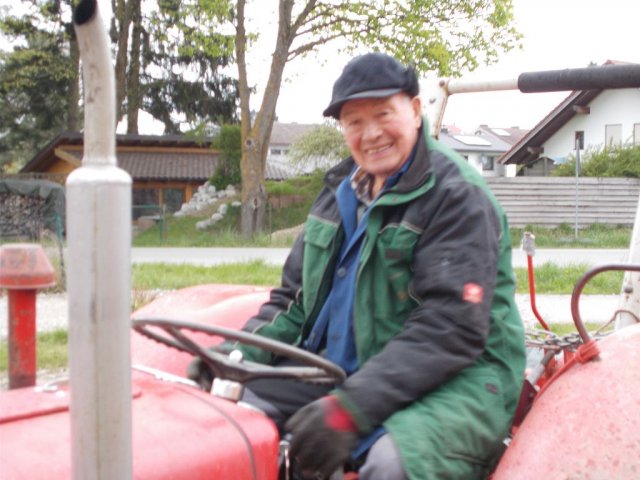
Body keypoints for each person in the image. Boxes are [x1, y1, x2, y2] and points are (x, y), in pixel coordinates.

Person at [188, 52, 526, 480]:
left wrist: (349, 410)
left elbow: (450, 327)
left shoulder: (457, 195)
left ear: (415, 111)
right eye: (354, 121)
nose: (371, 134)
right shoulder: (337, 192)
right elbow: (293, 302)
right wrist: (232, 357)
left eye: (383, 114)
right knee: (230, 417)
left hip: (458, 378)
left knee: (390, 466)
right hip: (343, 371)